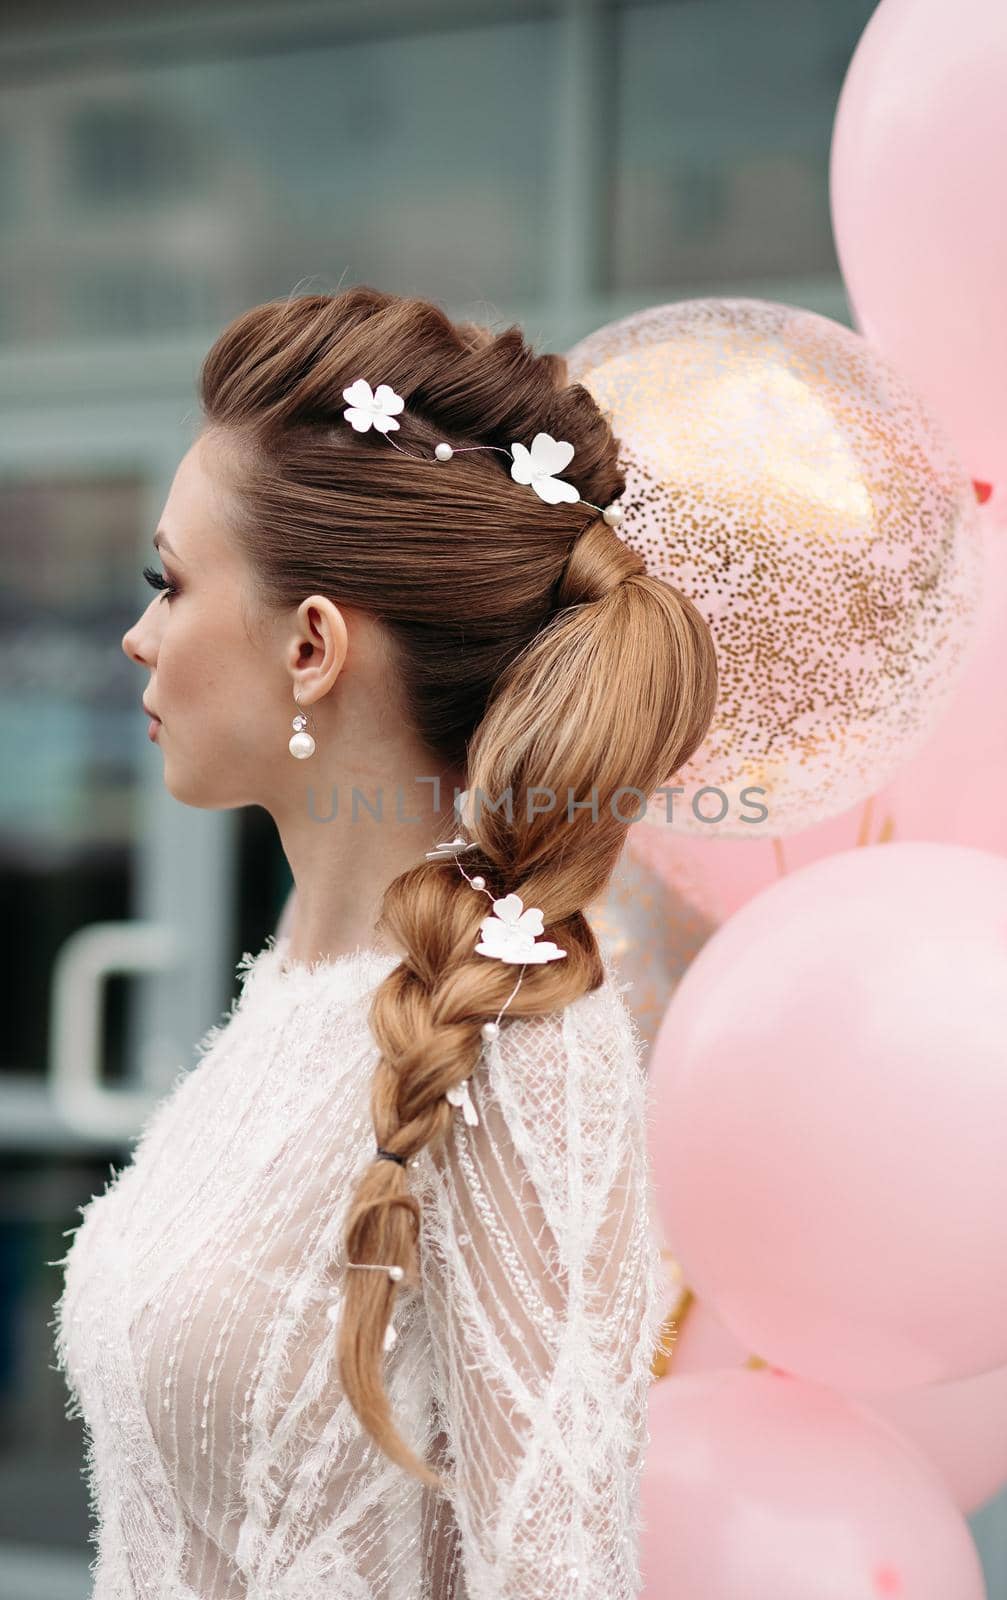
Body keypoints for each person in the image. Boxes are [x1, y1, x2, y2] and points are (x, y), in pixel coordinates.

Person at [51, 285, 718, 1599]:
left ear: (313, 646)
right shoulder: (297, 984)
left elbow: (558, 1571)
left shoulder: (525, 1044)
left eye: (169, 585)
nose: (138, 636)